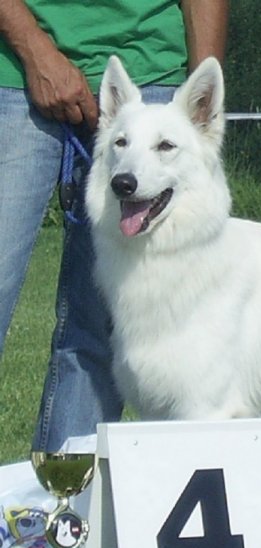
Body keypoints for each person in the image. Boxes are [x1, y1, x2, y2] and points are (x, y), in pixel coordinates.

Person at [0, 0, 228, 453]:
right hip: (15, 71)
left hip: (154, 76)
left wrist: (196, 104)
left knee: (101, 326)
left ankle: (69, 506)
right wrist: (36, 52)